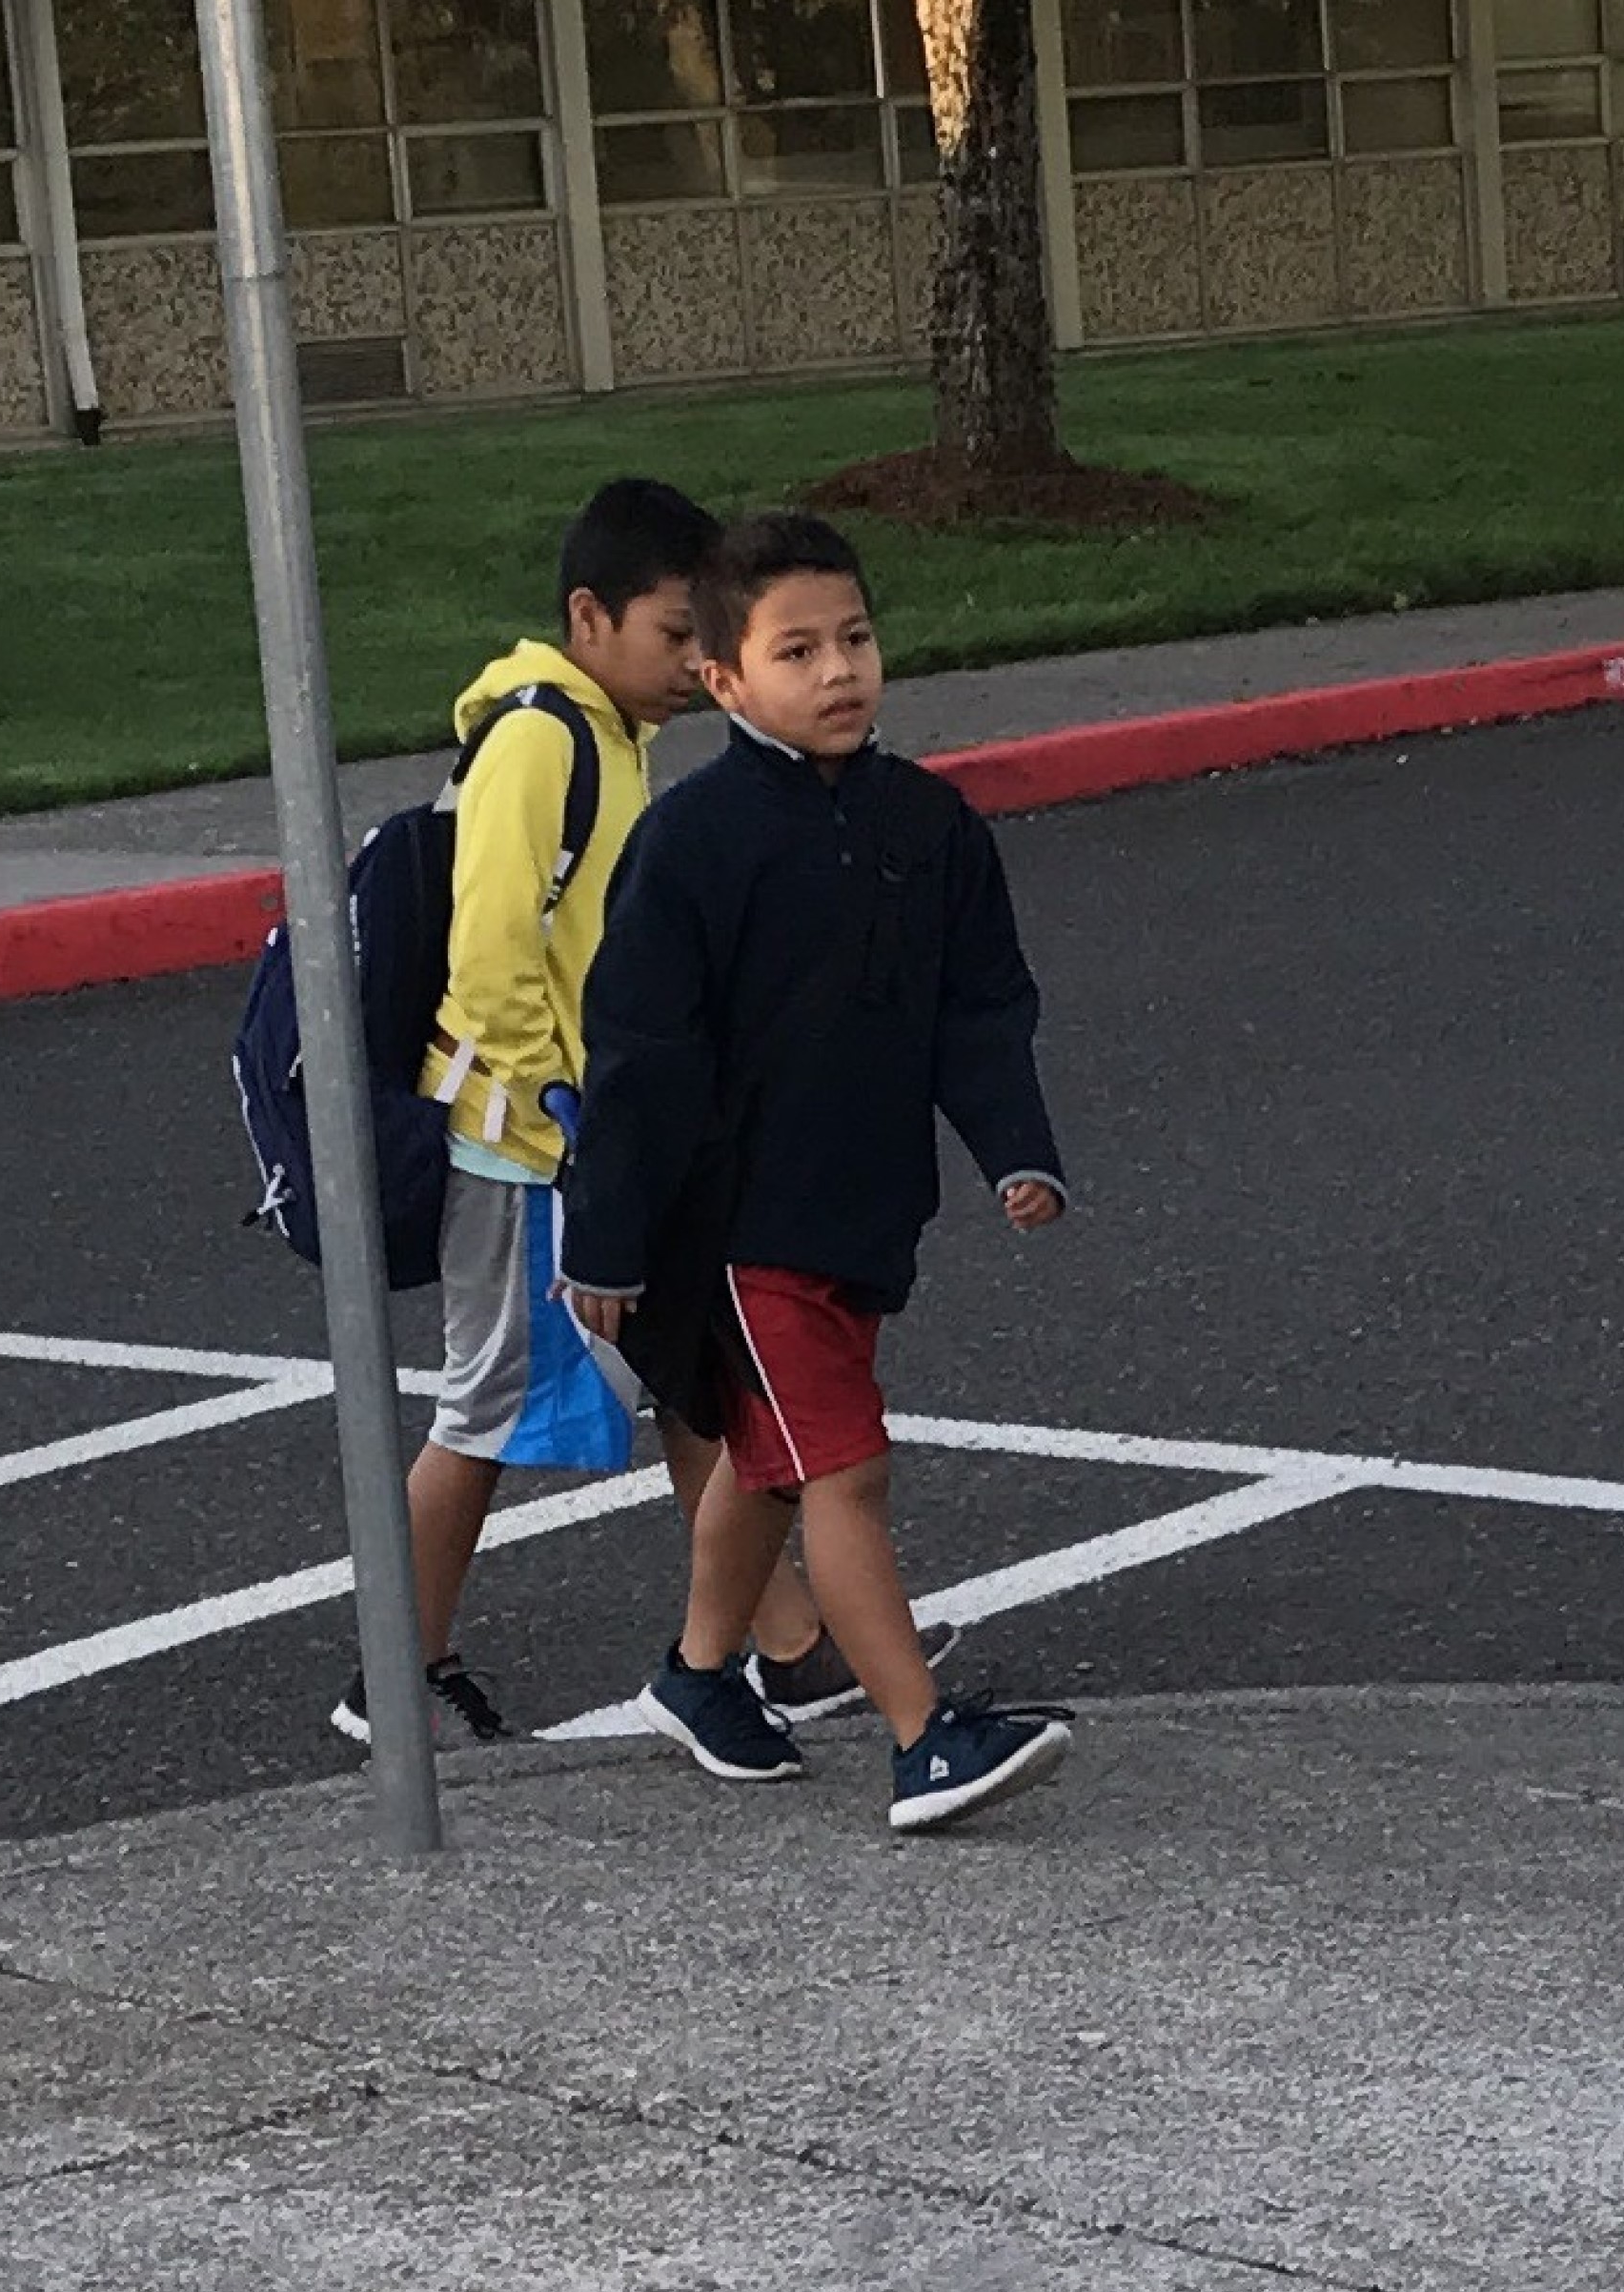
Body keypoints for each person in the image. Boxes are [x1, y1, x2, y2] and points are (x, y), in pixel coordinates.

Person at [558, 509, 1083, 1831]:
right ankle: (922, 1740)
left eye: (854, 638)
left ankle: (694, 1675)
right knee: (843, 1467)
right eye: (796, 651)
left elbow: (977, 1007)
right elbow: (639, 1053)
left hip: (860, 1208)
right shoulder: (693, 841)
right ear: (723, 681)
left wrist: (1015, 1149)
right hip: (736, 1225)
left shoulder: (928, 824)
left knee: (775, 1455)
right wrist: (607, 1240)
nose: (839, 670)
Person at [334, 476, 845, 1754]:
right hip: (525, 1146)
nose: (696, 662)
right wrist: (574, 1124)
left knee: (690, 1385)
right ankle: (397, 1674)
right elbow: (494, 957)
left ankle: (783, 1645)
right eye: (677, 635)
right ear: (589, 615)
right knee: (485, 1406)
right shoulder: (538, 740)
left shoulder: (609, 739)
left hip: (602, 1136)